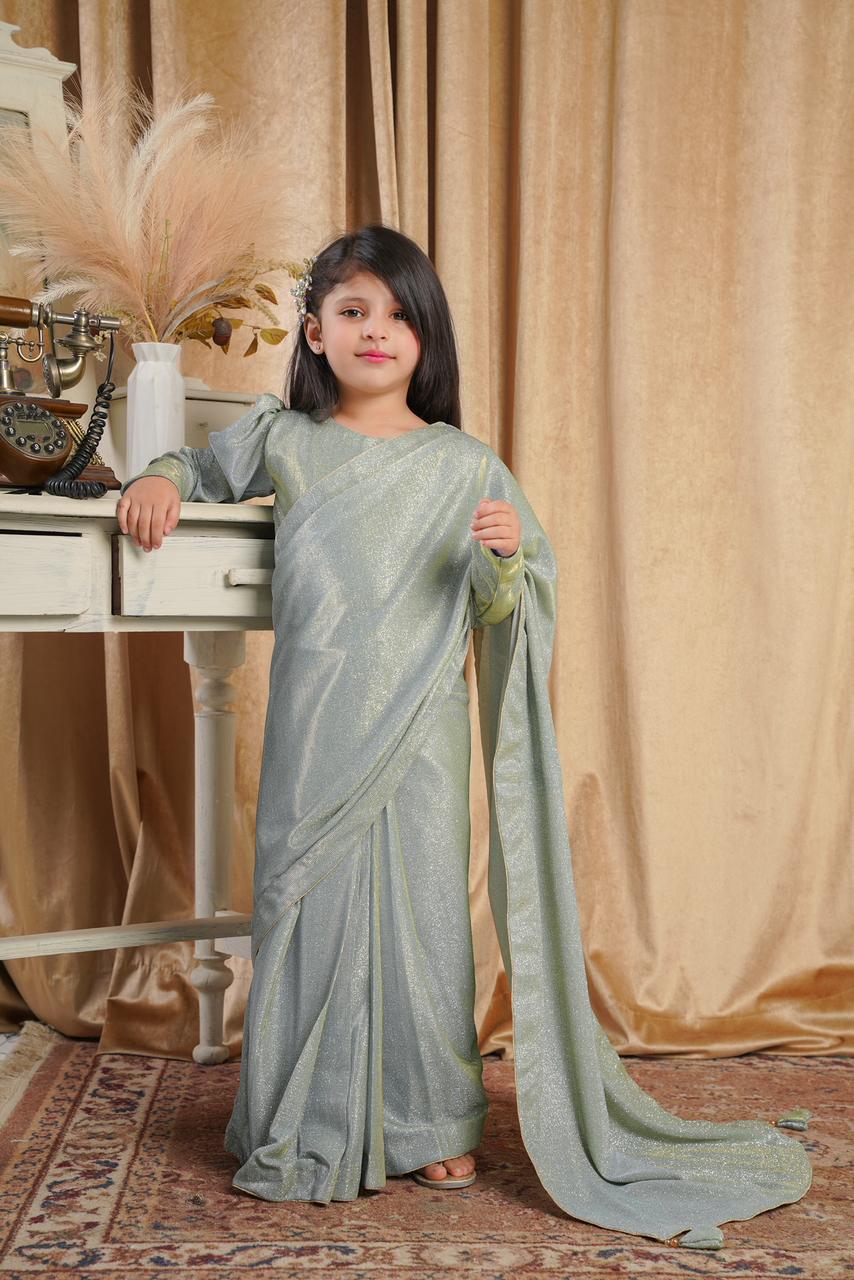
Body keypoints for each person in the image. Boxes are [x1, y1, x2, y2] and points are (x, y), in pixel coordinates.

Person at [116, 223, 813, 1251]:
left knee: (424, 925)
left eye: (399, 315)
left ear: (426, 337)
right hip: (315, 739)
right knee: (306, 918)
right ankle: (301, 1120)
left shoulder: (464, 464)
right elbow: (200, 466)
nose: (375, 330)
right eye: (353, 310)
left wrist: (505, 557)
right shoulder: (284, 439)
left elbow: (504, 606)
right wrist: (162, 478)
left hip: (421, 740)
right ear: (314, 330)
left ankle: (429, 1122)